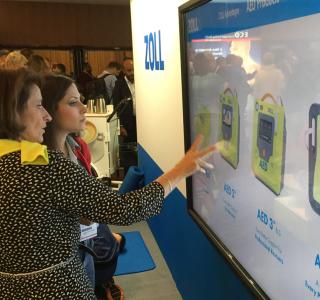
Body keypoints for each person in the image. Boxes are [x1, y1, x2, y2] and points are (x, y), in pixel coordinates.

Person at [0, 68, 215, 299]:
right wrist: (180, 171)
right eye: (38, 105)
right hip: (58, 287)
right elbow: (123, 209)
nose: (47, 116)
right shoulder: (42, 165)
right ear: (14, 109)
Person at [41, 74, 124, 299]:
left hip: (82, 244)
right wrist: (177, 174)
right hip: (68, 256)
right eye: (72, 102)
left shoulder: (74, 146)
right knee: (106, 250)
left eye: (81, 99)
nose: (84, 108)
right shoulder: (42, 163)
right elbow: (96, 211)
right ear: (48, 109)